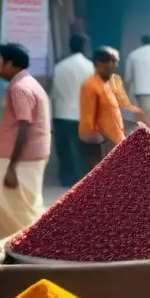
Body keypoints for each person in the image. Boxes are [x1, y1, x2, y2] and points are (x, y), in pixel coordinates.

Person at [0, 43, 51, 237]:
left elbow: (24, 126)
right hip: (27, 156)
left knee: (14, 207)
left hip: (21, 158)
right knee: (19, 205)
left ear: (11, 64)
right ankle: (27, 248)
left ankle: (32, 247)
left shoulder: (19, 88)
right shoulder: (28, 84)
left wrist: (11, 167)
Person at [79, 47, 143, 170]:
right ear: (99, 64)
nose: (115, 65)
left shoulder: (109, 84)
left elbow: (112, 112)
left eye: (116, 61)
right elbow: (88, 119)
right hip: (103, 145)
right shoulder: (90, 86)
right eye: (112, 62)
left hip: (115, 143)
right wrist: (101, 142)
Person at [50, 34, 93, 186]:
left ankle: (65, 179)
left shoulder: (59, 67)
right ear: (84, 47)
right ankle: (80, 180)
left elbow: (54, 93)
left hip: (61, 113)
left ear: (70, 47)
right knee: (81, 149)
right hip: (82, 114)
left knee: (64, 149)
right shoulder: (90, 67)